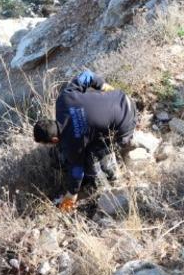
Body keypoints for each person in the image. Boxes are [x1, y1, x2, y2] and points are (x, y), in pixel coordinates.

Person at [33, 70, 136, 211]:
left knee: (91, 154)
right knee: (90, 103)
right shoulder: (63, 100)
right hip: (121, 97)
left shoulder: (73, 145)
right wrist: (103, 86)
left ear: (55, 139)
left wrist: (71, 194)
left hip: (128, 123)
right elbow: (87, 75)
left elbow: (77, 171)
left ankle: (112, 175)